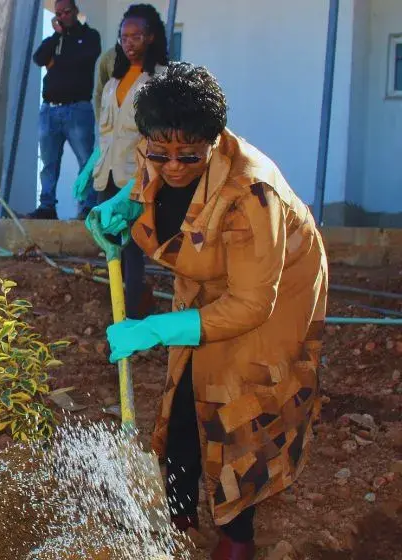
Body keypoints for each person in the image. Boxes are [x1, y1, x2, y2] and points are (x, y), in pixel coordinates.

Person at [89, 62, 327, 560]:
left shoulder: (252, 195)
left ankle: (237, 538)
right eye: (161, 152)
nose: (172, 165)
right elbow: (151, 186)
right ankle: (177, 517)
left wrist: (158, 327)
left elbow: (253, 303)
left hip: (276, 290)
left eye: (188, 155)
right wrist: (130, 206)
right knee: (182, 398)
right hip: (209, 272)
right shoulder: (159, 146)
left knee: (240, 408)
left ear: (213, 141)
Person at [89, 3, 167, 319]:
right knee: (112, 250)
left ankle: (132, 316)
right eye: (123, 37)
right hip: (105, 178)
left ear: (150, 37)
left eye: (136, 36)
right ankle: (122, 311)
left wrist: (147, 179)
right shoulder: (111, 83)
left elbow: (158, 136)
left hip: (136, 180)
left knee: (133, 250)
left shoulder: (159, 80)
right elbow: (107, 132)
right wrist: (92, 162)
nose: (128, 42)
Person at [26, 0, 101, 220]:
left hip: (77, 109)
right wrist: (57, 36)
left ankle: (87, 207)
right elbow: (39, 58)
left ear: (75, 12)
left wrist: (60, 56)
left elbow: (81, 59)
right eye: (58, 14)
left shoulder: (89, 36)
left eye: (66, 12)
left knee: (86, 161)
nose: (62, 17)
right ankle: (47, 206)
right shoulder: (56, 39)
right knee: (49, 162)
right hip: (50, 110)